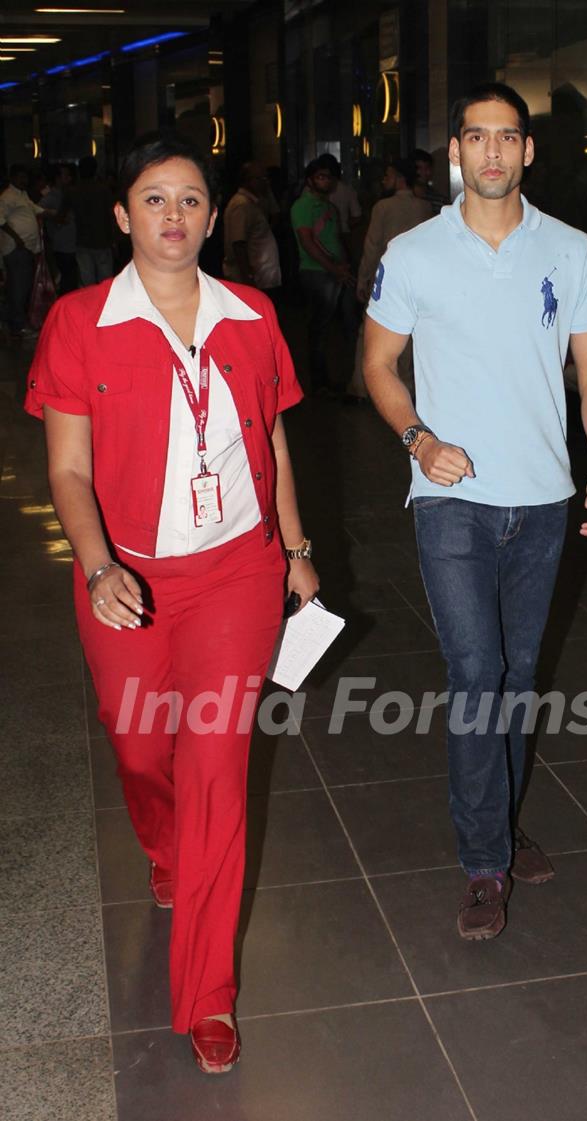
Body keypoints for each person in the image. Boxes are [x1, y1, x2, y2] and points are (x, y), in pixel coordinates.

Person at [25, 132, 318, 1073]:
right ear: (122, 215)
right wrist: (100, 564)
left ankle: (207, 995)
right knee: (139, 741)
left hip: (237, 573)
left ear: (213, 212)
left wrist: (297, 550)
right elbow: (67, 466)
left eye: (190, 198)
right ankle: (160, 839)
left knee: (217, 770)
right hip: (130, 580)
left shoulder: (252, 316)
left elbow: (270, 442)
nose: (175, 216)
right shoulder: (79, 322)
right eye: (155, 199)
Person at [364, 83, 587, 942]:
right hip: (450, 502)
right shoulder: (414, 251)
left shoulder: (572, 250)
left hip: (543, 500)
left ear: (528, 151)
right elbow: (377, 366)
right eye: (478, 137)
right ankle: (483, 861)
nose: (494, 153)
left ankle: (500, 827)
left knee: (515, 676)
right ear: (456, 152)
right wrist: (418, 439)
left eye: (508, 137)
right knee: (477, 675)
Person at [349, 157, 432, 401]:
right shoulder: (423, 207)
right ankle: (405, 385)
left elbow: (373, 246)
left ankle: (364, 388)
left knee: (370, 335)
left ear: (398, 177)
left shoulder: (382, 207)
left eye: (388, 175)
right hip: (417, 280)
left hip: (385, 280)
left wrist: (363, 279)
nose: (384, 180)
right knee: (409, 337)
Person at [290, 158, 354, 395]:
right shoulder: (304, 206)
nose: (326, 181)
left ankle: (327, 379)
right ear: (310, 180)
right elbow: (307, 242)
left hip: (332, 271)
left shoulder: (328, 207)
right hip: (317, 273)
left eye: (329, 177)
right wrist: (334, 267)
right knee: (319, 329)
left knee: (328, 328)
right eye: (321, 177)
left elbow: (333, 239)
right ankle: (319, 382)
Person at [222, 160, 281, 297]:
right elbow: (238, 243)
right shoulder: (242, 205)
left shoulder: (255, 202)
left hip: (260, 275)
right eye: (261, 178)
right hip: (250, 279)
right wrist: (247, 277)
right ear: (248, 181)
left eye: (267, 178)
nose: (266, 182)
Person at [0, 164, 45, 339]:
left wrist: (50, 213)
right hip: (16, 248)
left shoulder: (22, 195)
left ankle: (15, 321)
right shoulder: (7, 196)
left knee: (21, 286)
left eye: (25, 177)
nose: (23, 180)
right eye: (20, 177)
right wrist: (17, 238)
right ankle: (17, 325)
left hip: (26, 248)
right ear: (12, 178)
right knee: (18, 287)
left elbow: (35, 209)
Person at [67, 155, 115, 286]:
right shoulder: (103, 190)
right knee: (106, 282)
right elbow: (112, 215)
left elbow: (64, 215)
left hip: (82, 240)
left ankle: (89, 306)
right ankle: (105, 306)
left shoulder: (73, 191)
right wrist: (113, 238)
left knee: (86, 281)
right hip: (102, 240)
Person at [41, 164, 79, 296]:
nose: (68, 178)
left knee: (71, 279)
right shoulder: (51, 197)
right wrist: (55, 215)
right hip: (61, 244)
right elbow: (38, 211)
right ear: (57, 178)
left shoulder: (70, 193)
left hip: (72, 243)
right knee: (67, 280)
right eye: (65, 176)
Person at [409, 147, 448, 215]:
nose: (424, 173)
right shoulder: (403, 199)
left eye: (427, 168)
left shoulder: (440, 200)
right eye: (419, 168)